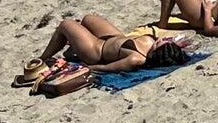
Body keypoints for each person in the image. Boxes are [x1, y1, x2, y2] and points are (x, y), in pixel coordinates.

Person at [17, 16, 191, 96]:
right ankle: (77, 40)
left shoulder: (137, 59)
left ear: (159, 51)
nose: (163, 40)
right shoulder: (152, 44)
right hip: (115, 39)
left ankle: (43, 57)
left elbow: (108, 68)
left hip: (96, 51)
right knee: (88, 19)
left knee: (66, 24)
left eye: (164, 43)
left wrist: (87, 67)